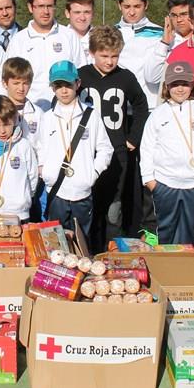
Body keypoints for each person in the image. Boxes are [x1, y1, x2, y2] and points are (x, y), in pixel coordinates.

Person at [79, 26, 149, 246]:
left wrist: (132, 138)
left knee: (114, 209)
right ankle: (88, 250)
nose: (109, 61)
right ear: (92, 52)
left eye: (114, 56)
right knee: (88, 205)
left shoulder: (125, 77)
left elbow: (141, 104)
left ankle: (113, 254)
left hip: (118, 154)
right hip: (87, 153)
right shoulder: (81, 76)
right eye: (104, 56)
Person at [140, 61, 194, 246]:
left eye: (184, 83)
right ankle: (163, 271)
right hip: (165, 183)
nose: (180, 89)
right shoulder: (158, 114)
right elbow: (147, 148)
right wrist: (149, 180)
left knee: (191, 230)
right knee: (164, 230)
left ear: (192, 84)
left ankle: (185, 271)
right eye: (175, 84)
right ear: (167, 86)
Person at [39, 60, 112, 243]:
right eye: (58, 85)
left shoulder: (91, 115)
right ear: (52, 87)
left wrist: (92, 174)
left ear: (77, 84)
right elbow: (39, 148)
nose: (64, 91)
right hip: (56, 191)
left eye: (68, 85)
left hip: (82, 191)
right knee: (56, 244)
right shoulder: (47, 118)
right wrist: (45, 172)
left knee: (82, 241)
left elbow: (105, 149)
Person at [1, 0, 85, 110]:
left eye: (50, 6)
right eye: (40, 6)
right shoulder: (19, 40)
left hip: (63, 112)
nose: (46, 11)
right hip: (29, 115)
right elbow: (4, 80)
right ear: (30, 7)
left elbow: (81, 73)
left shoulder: (69, 36)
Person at [144, 0, 194, 102]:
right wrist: (164, 43)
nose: (179, 20)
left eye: (184, 14)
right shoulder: (164, 43)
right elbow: (151, 78)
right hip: (171, 108)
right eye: (174, 15)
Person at [115, 0, 164, 107]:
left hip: (150, 106)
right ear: (119, 6)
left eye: (137, 6)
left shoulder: (161, 34)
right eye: (127, 7)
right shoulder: (111, 33)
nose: (131, 12)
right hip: (120, 107)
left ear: (146, 5)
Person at [1, 57, 44, 148]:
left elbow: (43, 146)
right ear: (5, 83)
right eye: (16, 83)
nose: (21, 88)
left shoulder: (38, 113)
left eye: (25, 83)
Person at [64, 0, 96, 65]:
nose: (82, 18)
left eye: (87, 12)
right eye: (77, 12)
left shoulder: (102, 38)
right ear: (67, 13)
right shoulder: (60, 38)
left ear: (93, 13)